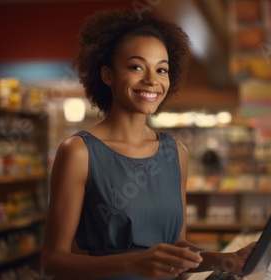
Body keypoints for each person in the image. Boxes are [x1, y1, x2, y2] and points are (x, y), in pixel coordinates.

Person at [41, 8, 256, 279]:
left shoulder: (176, 153)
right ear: (108, 75)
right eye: (136, 66)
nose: (152, 80)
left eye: (162, 69)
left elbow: (178, 247)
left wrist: (226, 259)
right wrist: (131, 263)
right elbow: (53, 260)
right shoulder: (79, 152)